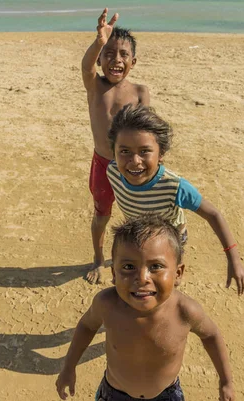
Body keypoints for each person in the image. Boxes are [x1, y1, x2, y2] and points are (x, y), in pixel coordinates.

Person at [56, 215, 236, 401]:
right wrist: (68, 367)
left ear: (178, 273)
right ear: (114, 273)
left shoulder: (185, 311)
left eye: (156, 266)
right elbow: (87, 326)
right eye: (128, 266)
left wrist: (226, 382)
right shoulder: (107, 304)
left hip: (167, 395)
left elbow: (211, 335)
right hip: (115, 394)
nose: (142, 278)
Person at [106, 103, 244, 295]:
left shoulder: (175, 187)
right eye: (124, 151)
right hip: (138, 235)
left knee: (163, 283)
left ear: (161, 154)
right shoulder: (113, 171)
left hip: (170, 238)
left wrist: (235, 261)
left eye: (144, 151)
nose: (135, 161)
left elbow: (214, 214)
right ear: (114, 151)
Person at [82, 7, 150, 284]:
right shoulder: (95, 86)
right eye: (108, 54)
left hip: (132, 166)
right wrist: (99, 41)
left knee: (138, 215)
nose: (116, 59)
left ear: (133, 61)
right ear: (100, 60)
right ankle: (99, 258)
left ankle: (135, 257)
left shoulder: (140, 92)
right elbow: (84, 66)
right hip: (102, 163)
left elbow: (147, 134)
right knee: (102, 214)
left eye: (123, 54)